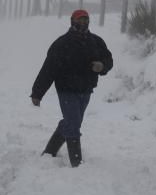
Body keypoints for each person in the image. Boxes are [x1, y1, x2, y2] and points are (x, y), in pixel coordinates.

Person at [30, 9, 113, 166]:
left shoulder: (96, 41)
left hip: (86, 90)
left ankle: (49, 152)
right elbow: (48, 70)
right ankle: (76, 163)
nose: (83, 23)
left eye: (85, 20)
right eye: (79, 20)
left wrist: (102, 66)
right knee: (73, 123)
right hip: (66, 90)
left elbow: (108, 60)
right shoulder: (62, 44)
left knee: (71, 121)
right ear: (72, 21)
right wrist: (37, 93)